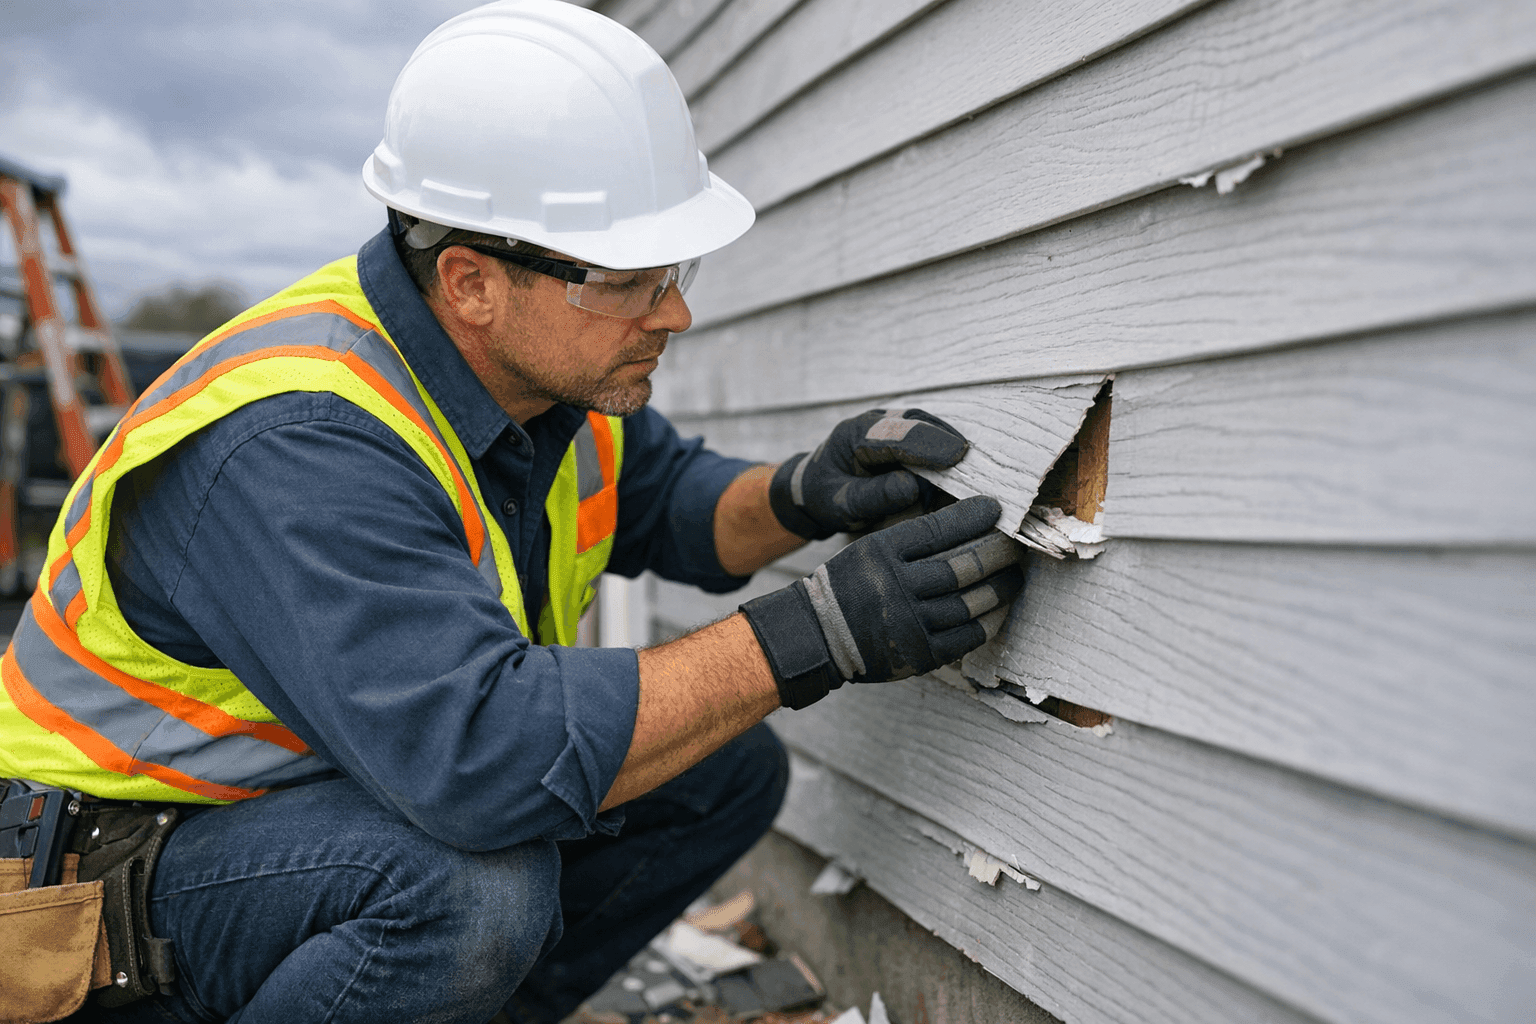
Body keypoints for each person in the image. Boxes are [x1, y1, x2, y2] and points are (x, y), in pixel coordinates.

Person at [0, 3, 1023, 1021]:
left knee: (718, 767)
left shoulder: (538, 384)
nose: (674, 312)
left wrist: (808, 491)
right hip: (92, 888)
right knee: (464, 888)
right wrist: (820, 632)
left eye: (676, 272)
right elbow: (477, 758)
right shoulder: (299, 440)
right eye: (629, 281)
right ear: (472, 281)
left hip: (269, 827)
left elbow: (674, 505)